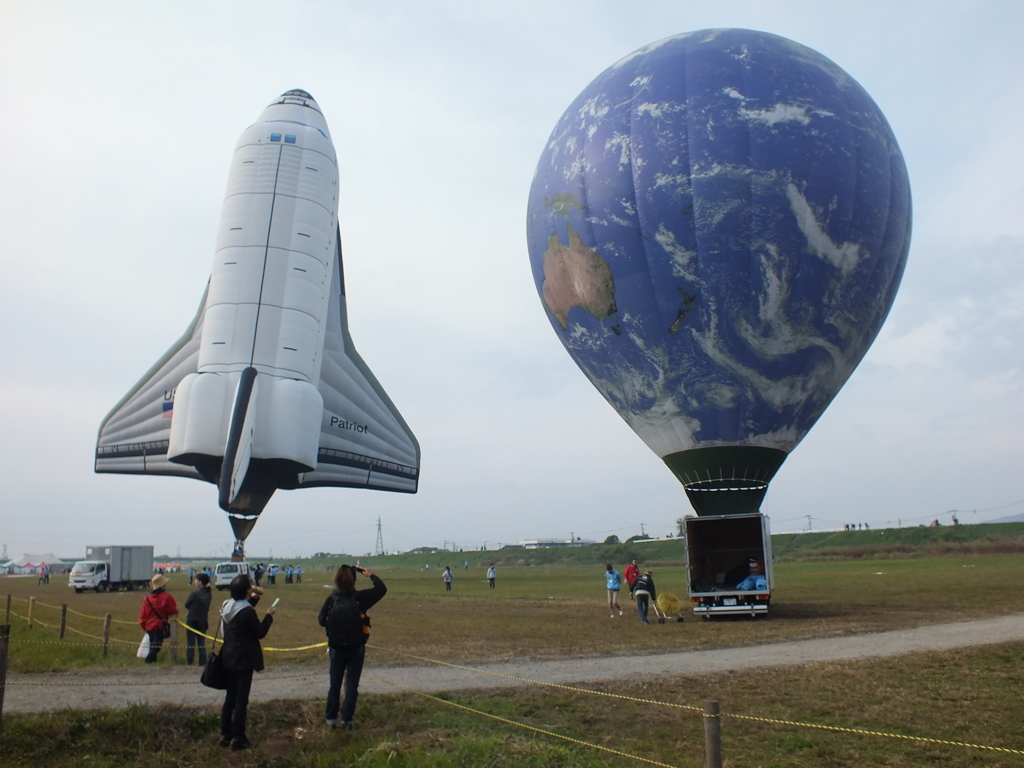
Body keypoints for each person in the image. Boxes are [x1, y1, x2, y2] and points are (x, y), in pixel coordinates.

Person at [318, 565, 387, 729]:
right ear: (353, 580)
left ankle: (331, 719)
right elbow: (381, 589)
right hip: (356, 646)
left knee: (334, 684)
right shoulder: (360, 598)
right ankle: (347, 720)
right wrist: (370, 575)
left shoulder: (332, 598)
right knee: (352, 684)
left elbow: (321, 620)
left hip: (336, 647)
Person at [219, 574, 275, 751]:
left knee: (230, 697)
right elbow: (259, 632)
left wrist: (253, 601)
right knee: (241, 700)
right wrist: (268, 616)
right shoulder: (247, 612)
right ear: (246, 591)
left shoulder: (227, 606)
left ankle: (225, 734)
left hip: (228, 657)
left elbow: (240, 615)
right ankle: (238, 737)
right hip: (243, 660)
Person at [139, 574, 178, 663]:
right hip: (159, 625)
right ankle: (148, 661)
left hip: (149, 626)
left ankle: (153, 662)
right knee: (157, 646)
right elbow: (173, 610)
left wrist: (143, 625)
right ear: (162, 585)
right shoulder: (166, 597)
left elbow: (143, 614)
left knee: (152, 645)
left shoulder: (147, 598)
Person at [184, 572, 212, 665]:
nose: (195, 581)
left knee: (191, 643)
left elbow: (187, 605)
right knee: (201, 643)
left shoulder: (194, 593)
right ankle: (202, 662)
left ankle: (190, 661)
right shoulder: (209, 594)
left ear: (200, 582)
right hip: (203, 620)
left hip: (192, 620)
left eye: (196, 580)